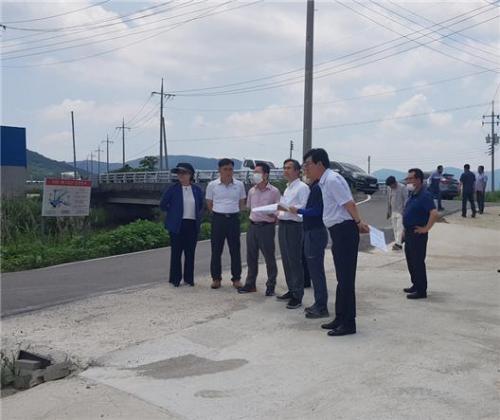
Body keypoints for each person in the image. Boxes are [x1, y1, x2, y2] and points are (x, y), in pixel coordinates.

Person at [302, 149, 369, 337]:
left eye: (308, 164)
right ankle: (340, 317)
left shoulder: (331, 180)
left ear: (319, 164)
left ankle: (349, 323)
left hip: (345, 230)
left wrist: (358, 222)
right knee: (342, 278)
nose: (306, 168)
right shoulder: (324, 181)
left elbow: (349, 204)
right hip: (338, 231)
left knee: (346, 279)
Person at [287, 160, 328, 319]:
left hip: (315, 232)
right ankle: (319, 303)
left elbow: (316, 211)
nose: (306, 172)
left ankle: (321, 306)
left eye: (307, 168)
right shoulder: (314, 186)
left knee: (316, 271)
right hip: (311, 231)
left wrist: (299, 210)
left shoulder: (317, 188)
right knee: (314, 270)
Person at [238, 162, 281, 296]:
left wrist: (273, 215)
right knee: (251, 257)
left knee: (269, 258)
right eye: (254, 172)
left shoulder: (274, 191)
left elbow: (279, 210)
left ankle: (271, 286)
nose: (254, 175)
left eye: (257, 172)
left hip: (266, 227)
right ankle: (250, 284)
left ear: (266, 174)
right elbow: (249, 207)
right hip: (253, 226)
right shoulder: (252, 191)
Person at [160, 163, 204, 287]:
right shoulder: (172, 189)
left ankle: (189, 279)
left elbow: (201, 205)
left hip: (192, 224)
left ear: (190, 175)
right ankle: (175, 279)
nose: (181, 175)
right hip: (177, 224)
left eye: (184, 173)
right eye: (179, 173)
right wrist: (173, 212)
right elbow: (163, 204)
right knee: (176, 252)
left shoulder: (197, 189)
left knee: (190, 253)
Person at [206, 158, 246, 290]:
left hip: (233, 219)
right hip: (218, 219)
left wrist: (235, 212)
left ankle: (236, 278)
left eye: (230, 169)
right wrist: (218, 213)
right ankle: (216, 279)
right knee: (216, 250)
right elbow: (209, 203)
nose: (228, 172)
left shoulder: (239, 185)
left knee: (235, 250)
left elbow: (242, 202)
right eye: (225, 169)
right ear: (219, 170)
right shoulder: (212, 185)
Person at [276, 159, 310, 309]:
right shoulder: (287, 188)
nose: (286, 170)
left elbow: (303, 207)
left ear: (297, 171)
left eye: (289, 168)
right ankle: (291, 289)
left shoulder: (302, 187)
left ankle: (298, 295)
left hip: (294, 226)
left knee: (295, 260)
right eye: (284, 168)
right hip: (283, 224)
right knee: (286, 259)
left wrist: (287, 209)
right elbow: (283, 206)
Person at [402, 168, 439, 300]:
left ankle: (421, 290)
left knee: (417, 261)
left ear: (418, 180)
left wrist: (426, 228)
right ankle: (415, 284)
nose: (408, 181)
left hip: (417, 233)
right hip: (409, 232)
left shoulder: (425, 195)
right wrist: (404, 231)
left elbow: (434, 213)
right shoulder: (413, 194)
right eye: (407, 179)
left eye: (410, 178)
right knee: (410, 260)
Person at [385, 176, 407, 251]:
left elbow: (406, 200)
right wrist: (388, 211)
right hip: (393, 211)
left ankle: (398, 244)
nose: (391, 187)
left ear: (394, 183)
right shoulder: (389, 188)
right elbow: (389, 200)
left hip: (401, 211)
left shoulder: (402, 187)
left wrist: (405, 211)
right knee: (395, 228)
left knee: (399, 228)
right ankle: (398, 242)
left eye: (391, 185)